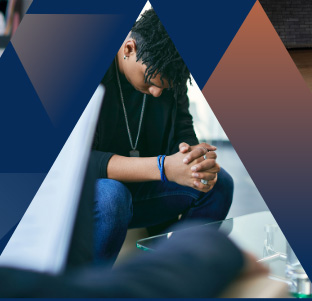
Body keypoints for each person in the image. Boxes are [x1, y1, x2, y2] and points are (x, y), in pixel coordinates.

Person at [88, 8, 234, 266]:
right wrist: (163, 167)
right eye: (151, 81)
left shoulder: (170, 74)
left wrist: (193, 158)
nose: (157, 92)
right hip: (96, 195)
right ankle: (90, 285)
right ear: (129, 48)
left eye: (164, 87)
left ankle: (174, 272)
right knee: (112, 197)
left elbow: (182, 128)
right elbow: (80, 162)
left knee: (219, 183)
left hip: (145, 190)